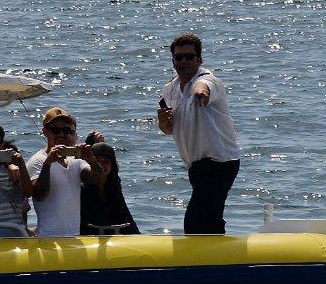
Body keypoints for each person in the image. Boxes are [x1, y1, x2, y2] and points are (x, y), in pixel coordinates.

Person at [155, 33, 241, 234]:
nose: (183, 61)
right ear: (173, 60)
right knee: (207, 217)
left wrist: (200, 94)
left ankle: (215, 258)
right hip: (196, 164)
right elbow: (168, 130)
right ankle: (216, 254)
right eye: (179, 57)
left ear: (199, 60)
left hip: (220, 161)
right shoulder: (170, 89)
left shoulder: (209, 80)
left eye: (189, 57)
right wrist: (163, 122)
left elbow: (202, 88)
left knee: (197, 219)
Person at [25, 106, 104, 239]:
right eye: (56, 130)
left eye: (67, 131)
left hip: (73, 237)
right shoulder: (38, 161)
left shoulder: (75, 160)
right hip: (48, 238)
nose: (61, 135)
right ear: (45, 132)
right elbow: (39, 195)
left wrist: (92, 160)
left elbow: (99, 180)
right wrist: (48, 163)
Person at [79, 143, 139, 236]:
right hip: (88, 236)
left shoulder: (114, 184)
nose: (102, 165)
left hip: (114, 236)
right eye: (98, 162)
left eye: (106, 161)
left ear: (112, 164)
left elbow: (125, 214)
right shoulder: (82, 187)